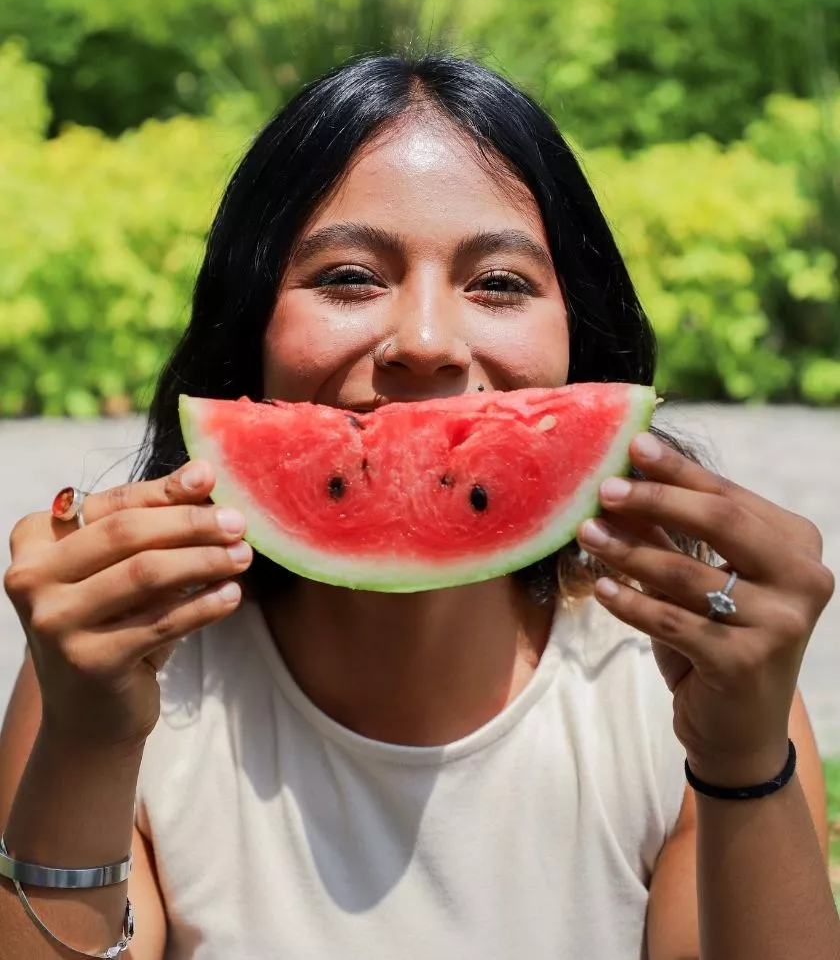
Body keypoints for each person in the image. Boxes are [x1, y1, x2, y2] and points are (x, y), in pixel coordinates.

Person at [0, 53, 837, 960]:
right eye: (350, 276)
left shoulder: (683, 682)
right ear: (249, 334)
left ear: (579, 343)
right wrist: (87, 742)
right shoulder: (114, 661)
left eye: (501, 283)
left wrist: (742, 761)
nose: (428, 343)